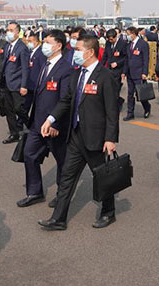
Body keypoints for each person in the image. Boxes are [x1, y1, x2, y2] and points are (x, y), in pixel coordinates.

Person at [37, 35, 120, 230]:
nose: (74, 52)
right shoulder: (77, 74)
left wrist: (110, 138)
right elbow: (66, 101)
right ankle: (58, 219)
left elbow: (112, 111)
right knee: (67, 177)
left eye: (78, 49)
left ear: (90, 52)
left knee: (101, 177)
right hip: (75, 135)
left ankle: (108, 212)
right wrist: (50, 119)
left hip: (95, 138)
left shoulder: (105, 76)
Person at [18, 30, 70, 208]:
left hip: (54, 125)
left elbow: (65, 100)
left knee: (61, 161)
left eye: (48, 42)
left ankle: (61, 195)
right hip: (37, 122)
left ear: (59, 45)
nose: (44, 45)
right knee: (29, 154)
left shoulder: (66, 68)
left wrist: (55, 122)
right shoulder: (44, 64)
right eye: (44, 41)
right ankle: (34, 192)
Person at [0, 21, 30, 144]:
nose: (9, 32)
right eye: (8, 30)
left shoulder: (22, 48)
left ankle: (31, 127)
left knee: (19, 109)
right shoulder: (7, 45)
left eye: (11, 30)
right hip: (6, 83)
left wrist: (24, 85)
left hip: (17, 84)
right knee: (9, 110)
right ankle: (14, 133)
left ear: (18, 32)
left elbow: (25, 68)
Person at [123, 26, 150, 120]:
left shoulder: (143, 44)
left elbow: (146, 60)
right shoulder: (128, 45)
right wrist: (124, 72)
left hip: (139, 73)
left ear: (133, 34)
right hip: (130, 73)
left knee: (140, 94)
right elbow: (127, 59)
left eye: (128, 34)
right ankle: (130, 113)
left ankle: (147, 108)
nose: (127, 36)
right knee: (130, 94)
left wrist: (144, 73)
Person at [101, 28, 127, 111]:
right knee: (109, 88)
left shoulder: (123, 44)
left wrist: (118, 63)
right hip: (109, 69)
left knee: (115, 88)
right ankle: (118, 101)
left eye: (112, 39)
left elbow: (126, 57)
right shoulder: (108, 43)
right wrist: (101, 66)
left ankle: (115, 106)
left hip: (118, 70)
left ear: (115, 37)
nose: (110, 41)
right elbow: (105, 55)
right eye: (109, 39)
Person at [24, 33, 46, 117]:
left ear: (37, 42)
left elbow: (42, 69)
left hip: (36, 84)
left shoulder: (41, 53)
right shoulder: (29, 52)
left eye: (30, 41)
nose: (28, 43)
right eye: (28, 41)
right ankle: (21, 123)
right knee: (25, 105)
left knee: (35, 106)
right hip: (29, 83)